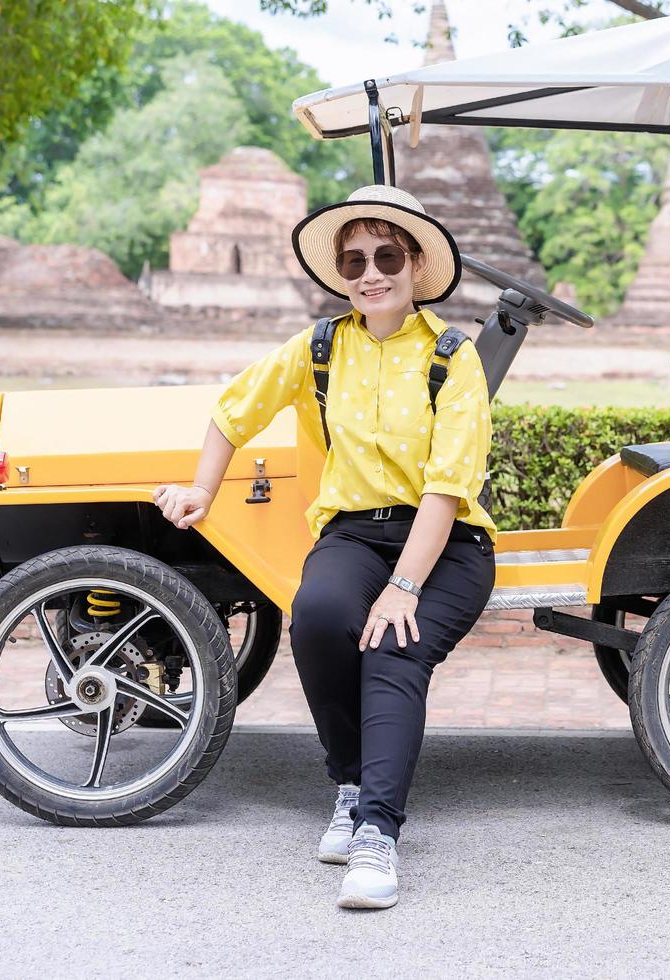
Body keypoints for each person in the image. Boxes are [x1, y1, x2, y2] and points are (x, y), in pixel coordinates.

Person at [151, 185, 497, 910]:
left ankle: (378, 832)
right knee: (316, 618)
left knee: (394, 645)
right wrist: (202, 492)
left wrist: (404, 587)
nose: (370, 273)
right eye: (354, 262)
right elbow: (232, 411)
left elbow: (447, 487)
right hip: (352, 532)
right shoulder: (319, 346)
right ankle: (349, 782)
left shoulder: (453, 358)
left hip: (446, 542)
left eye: (386, 256)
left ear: (415, 265)